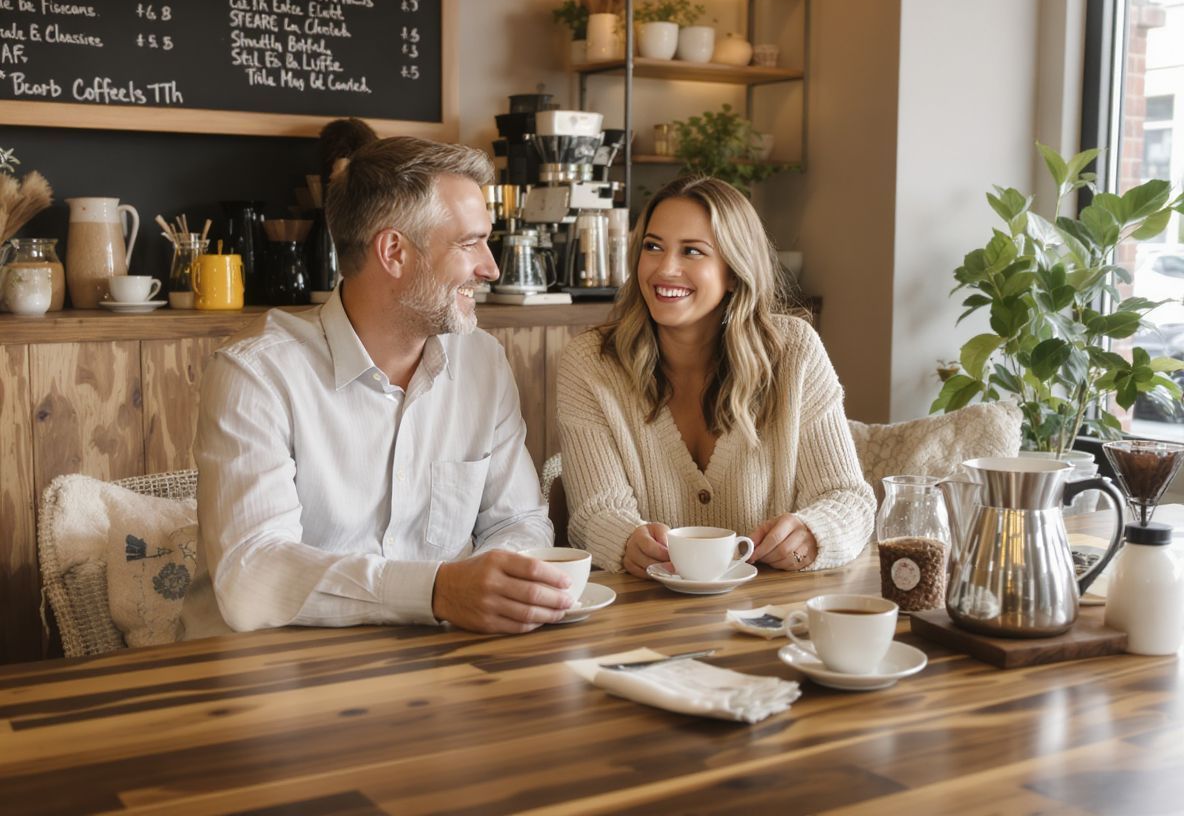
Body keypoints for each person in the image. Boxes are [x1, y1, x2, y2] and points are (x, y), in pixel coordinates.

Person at [181, 137, 573, 639]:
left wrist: (497, 586)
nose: (490, 267)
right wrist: (437, 592)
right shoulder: (257, 373)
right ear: (393, 252)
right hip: (268, 670)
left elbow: (518, 522)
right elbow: (251, 576)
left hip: (438, 660)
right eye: (469, 243)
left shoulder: (482, 363)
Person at [556, 175, 874, 578]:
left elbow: (847, 498)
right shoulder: (590, 363)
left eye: (692, 251)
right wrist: (624, 540)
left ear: (734, 271)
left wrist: (813, 533)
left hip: (772, 607)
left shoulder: (795, 352)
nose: (665, 268)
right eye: (653, 246)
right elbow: (594, 512)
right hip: (649, 607)